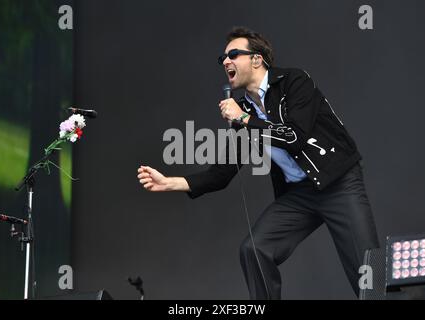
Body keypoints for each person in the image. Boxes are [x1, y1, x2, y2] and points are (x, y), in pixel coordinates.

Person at [137, 26, 379, 299]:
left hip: (338, 182)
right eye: (223, 58)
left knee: (367, 268)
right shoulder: (246, 110)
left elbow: (295, 137)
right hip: (300, 194)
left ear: (257, 59)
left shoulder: (294, 81)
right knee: (254, 249)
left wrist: (243, 119)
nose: (226, 61)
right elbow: (221, 174)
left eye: (234, 54)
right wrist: (169, 183)